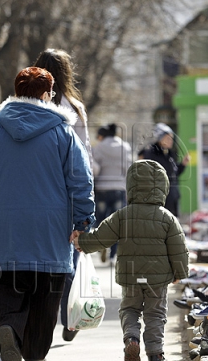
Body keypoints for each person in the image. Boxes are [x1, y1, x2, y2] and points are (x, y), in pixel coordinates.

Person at [0, 66, 94, 361]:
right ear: (48, 95)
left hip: (6, 226)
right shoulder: (63, 133)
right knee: (47, 291)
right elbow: (80, 180)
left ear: (16, 93)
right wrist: (83, 221)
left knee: (9, 283)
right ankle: (34, 352)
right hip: (51, 226)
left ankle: (8, 325)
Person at [72, 159, 188, 361]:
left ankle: (131, 339)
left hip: (131, 275)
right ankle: (155, 356)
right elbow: (178, 249)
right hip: (157, 278)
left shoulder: (122, 216)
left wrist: (82, 242)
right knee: (155, 314)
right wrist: (179, 272)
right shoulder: (168, 218)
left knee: (130, 309)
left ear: (131, 187)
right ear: (163, 187)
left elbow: (102, 237)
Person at [33, 48, 92, 343]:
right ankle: (70, 317)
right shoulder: (76, 108)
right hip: (67, 195)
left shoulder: (26, 104)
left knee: (34, 259)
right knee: (69, 254)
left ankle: (34, 319)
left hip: (32, 191)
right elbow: (85, 159)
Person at [92, 123, 133, 263]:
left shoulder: (99, 147)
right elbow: (129, 169)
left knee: (101, 220)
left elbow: (94, 168)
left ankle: (102, 243)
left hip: (102, 188)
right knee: (117, 223)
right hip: (119, 189)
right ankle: (113, 255)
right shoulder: (125, 147)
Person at [138, 123, 189, 218]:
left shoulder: (170, 154)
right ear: (160, 139)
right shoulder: (151, 153)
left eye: (172, 138)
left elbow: (175, 173)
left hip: (172, 197)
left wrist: (183, 164)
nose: (171, 141)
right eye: (168, 138)